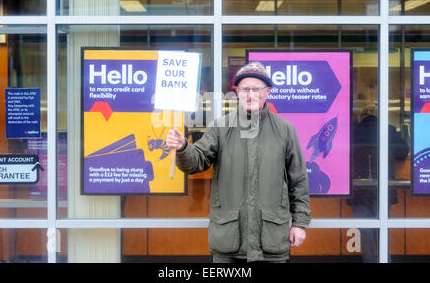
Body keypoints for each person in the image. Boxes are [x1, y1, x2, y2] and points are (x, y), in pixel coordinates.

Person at [166, 62, 311, 263]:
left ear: (267, 92)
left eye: (256, 89)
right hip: (229, 241)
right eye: (244, 89)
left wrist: (300, 223)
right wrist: (183, 146)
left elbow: (299, 181)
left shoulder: (285, 130)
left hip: (270, 240)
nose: (250, 94)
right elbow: (196, 162)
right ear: (237, 93)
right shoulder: (220, 127)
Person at [347, 106, 409, 262]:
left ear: (361, 116)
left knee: (366, 232)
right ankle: (384, 259)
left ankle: (369, 260)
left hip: (359, 189)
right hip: (382, 189)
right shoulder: (389, 130)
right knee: (383, 231)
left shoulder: (351, 130)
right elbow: (403, 153)